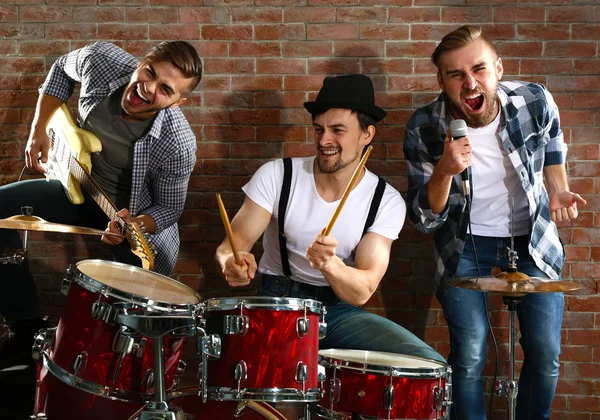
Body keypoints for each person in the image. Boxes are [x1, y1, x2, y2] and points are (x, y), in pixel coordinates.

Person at [403, 25, 587, 420]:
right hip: (464, 246)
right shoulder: (424, 126)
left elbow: (553, 144)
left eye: (479, 69)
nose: (470, 83)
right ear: (441, 80)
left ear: (498, 69)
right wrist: (444, 171)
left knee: (545, 352)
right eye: (455, 74)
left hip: (532, 240)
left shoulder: (534, 100)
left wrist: (558, 190)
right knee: (469, 357)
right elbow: (423, 219)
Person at [215, 74, 444, 363]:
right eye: (319, 129)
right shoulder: (276, 175)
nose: (324, 140)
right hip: (277, 302)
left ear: (367, 135)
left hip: (339, 312)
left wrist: (330, 264)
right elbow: (230, 248)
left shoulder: (385, 201)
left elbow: (362, 290)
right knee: (281, 384)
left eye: (338, 130)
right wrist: (232, 263)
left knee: (428, 365)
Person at [0, 41, 202, 368]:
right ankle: (24, 328)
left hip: (128, 218)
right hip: (75, 185)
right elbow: (60, 72)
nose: (147, 88)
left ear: (179, 102)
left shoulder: (177, 143)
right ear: (142, 61)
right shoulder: (102, 59)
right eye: (148, 72)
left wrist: (136, 224)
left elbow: (168, 209)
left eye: (165, 89)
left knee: (134, 309)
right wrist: (39, 129)